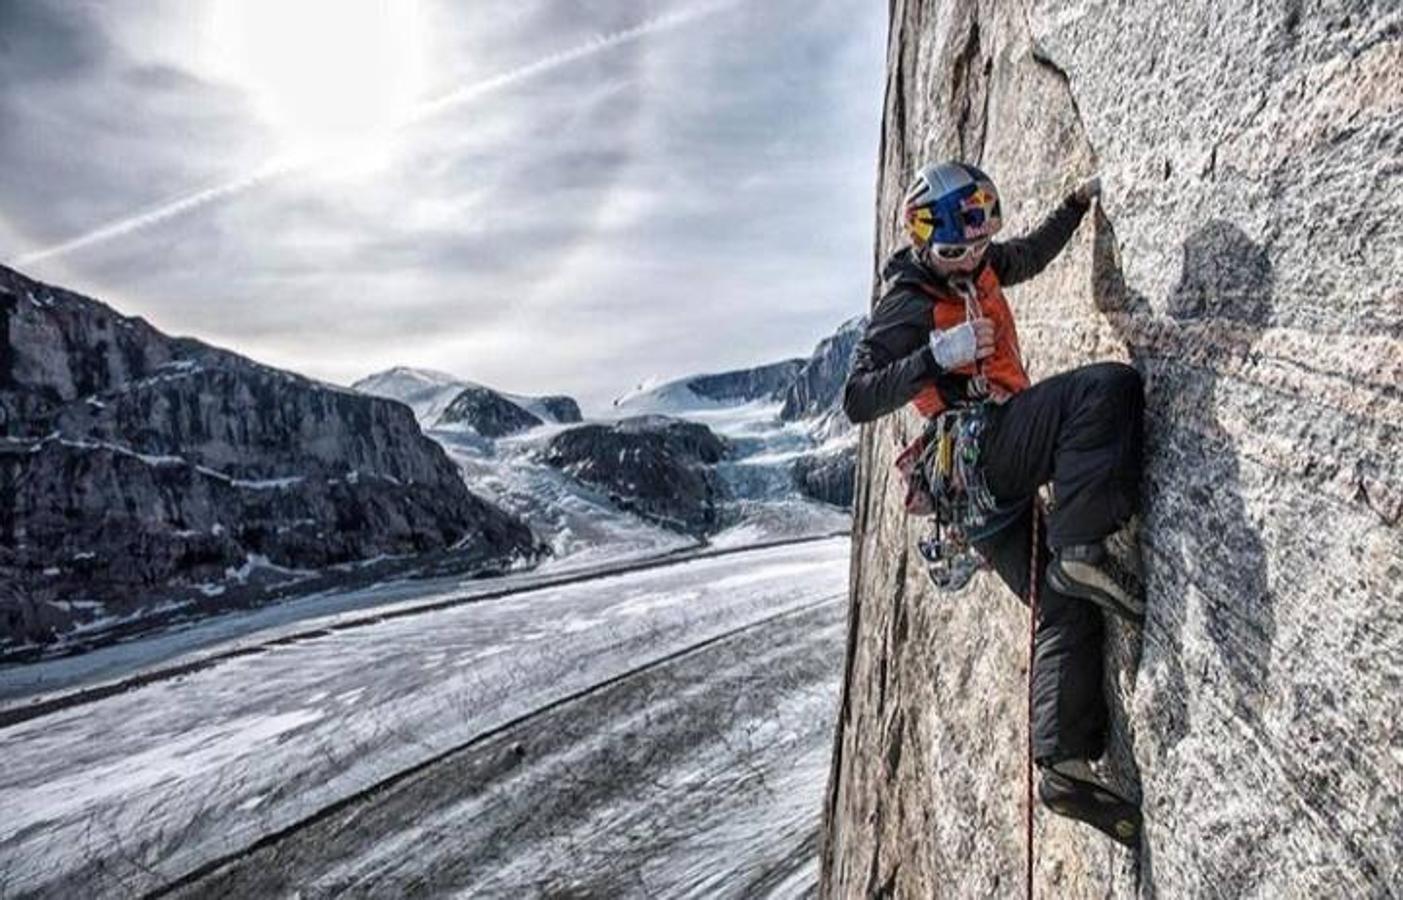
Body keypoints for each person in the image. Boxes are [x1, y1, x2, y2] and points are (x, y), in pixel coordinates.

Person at [842, 160, 1146, 846]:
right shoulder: (909, 301)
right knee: (1102, 391)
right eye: (955, 249)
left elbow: (1027, 255)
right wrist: (932, 355)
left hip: (974, 495)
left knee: (1062, 605)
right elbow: (858, 396)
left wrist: (1073, 204)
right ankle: (1079, 548)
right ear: (924, 244)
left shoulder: (976, 268)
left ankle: (1062, 764)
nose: (972, 258)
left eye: (978, 244)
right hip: (977, 447)